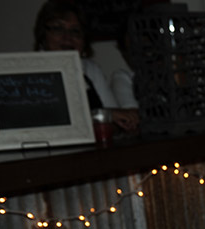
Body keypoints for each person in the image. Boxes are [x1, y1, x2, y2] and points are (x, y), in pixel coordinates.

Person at [34, 0, 139, 132]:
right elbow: (48, 122)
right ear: (43, 36)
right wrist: (104, 115)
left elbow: (116, 116)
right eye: (58, 29)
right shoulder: (31, 71)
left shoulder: (90, 69)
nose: (67, 37)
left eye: (75, 31)